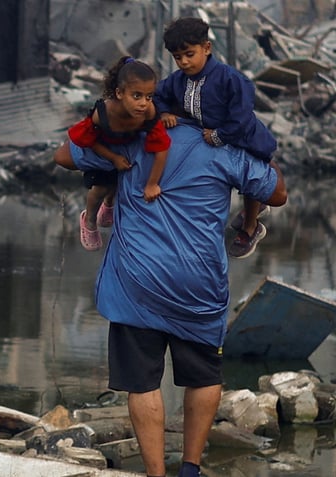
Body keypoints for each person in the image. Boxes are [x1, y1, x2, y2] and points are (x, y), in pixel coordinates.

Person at [52, 122, 287, 477]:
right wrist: (252, 137)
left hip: (137, 281)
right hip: (199, 284)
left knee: (142, 381)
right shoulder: (223, 145)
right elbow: (278, 193)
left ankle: (156, 474)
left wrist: (110, 120)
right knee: (203, 376)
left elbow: (63, 155)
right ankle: (190, 468)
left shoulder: (134, 135)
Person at [154, 16, 278, 259]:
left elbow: (241, 118)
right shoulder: (178, 80)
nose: (184, 62)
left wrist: (220, 136)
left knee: (250, 180)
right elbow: (158, 95)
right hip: (205, 139)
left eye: (189, 54)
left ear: (206, 48)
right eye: (178, 57)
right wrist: (165, 112)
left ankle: (251, 227)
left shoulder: (231, 79)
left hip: (245, 138)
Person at [64, 56, 171, 251]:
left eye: (149, 97)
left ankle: (109, 206)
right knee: (100, 188)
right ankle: (88, 219)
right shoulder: (104, 112)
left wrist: (152, 184)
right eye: (136, 96)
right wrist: (112, 157)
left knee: (118, 182)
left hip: (125, 147)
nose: (143, 103)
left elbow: (161, 146)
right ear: (119, 93)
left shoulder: (148, 112)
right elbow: (88, 140)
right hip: (104, 149)